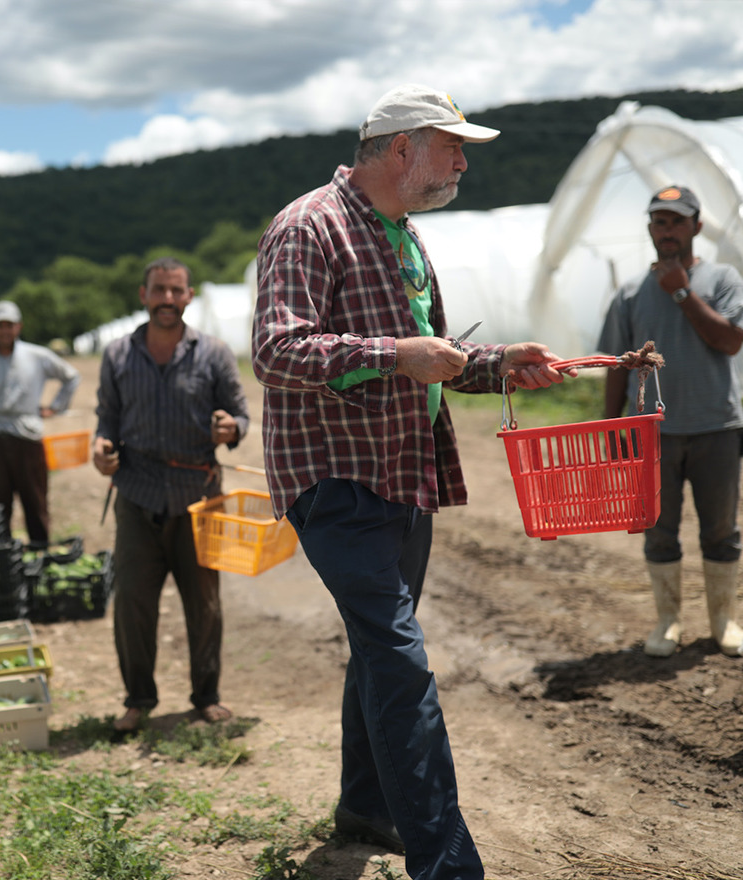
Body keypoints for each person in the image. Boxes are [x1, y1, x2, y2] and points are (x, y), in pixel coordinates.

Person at [252, 84, 571, 879]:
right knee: (401, 665)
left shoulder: (403, 238)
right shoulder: (307, 227)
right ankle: (448, 865)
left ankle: (365, 805)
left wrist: (503, 365)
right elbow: (275, 351)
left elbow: (436, 356)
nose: (462, 161)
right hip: (336, 480)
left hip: (404, 477)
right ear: (403, 149)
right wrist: (392, 353)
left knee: (377, 655)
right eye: (452, 146)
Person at [92, 256, 249, 733]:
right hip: (137, 498)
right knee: (133, 604)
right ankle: (138, 699)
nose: (166, 299)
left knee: (204, 604)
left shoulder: (215, 354)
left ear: (189, 296)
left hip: (198, 499)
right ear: (143, 295)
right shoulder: (118, 355)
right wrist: (102, 450)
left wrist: (230, 429)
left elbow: (240, 415)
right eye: (158, 290)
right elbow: (107, 420)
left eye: (175, 291)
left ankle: (206, 695)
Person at [597, 185, 743, 658]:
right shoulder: (630, 293)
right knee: (659, 528)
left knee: (720, 528)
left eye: (678, 221)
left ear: (697, 227)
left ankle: (724, 622)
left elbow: (730, 341)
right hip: (651, 433)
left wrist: (680, 290)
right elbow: (617, 366)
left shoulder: (723, 279)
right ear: (649, 230)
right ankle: (669, 620)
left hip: (716, 427)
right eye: (660, 222)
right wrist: (611, 428)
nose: (668, 230)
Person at [0, 300, 80, 545]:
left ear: (18, 327)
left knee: (35, 500)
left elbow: (70, 377)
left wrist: (55, 407)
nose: (5, 331)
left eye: (10, 325)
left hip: (26, 437)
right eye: (0, 325)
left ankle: (40, 550)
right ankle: (4, 557)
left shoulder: (36, 356)